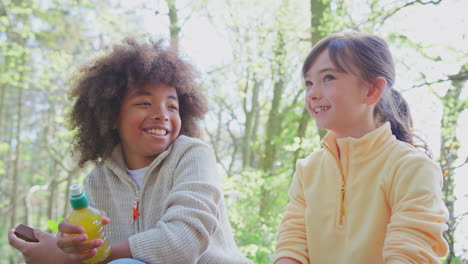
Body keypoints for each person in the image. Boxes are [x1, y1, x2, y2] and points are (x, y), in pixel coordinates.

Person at [9, 38, 252, 264]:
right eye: (144, 103)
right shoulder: (98, 182)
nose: (162, 114)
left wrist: (81, 259)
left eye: (172, 106)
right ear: (112, 116)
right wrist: (75, 249)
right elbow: (97, 249)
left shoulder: (193, 156)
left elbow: (183, 242)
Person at [274, 32, 448, 264]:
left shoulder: (411, 167)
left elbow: (410, 253)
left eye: (328, 78)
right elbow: (292, 245)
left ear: (372, 90)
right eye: (308, 82)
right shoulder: (308, 170)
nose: (313, 94)